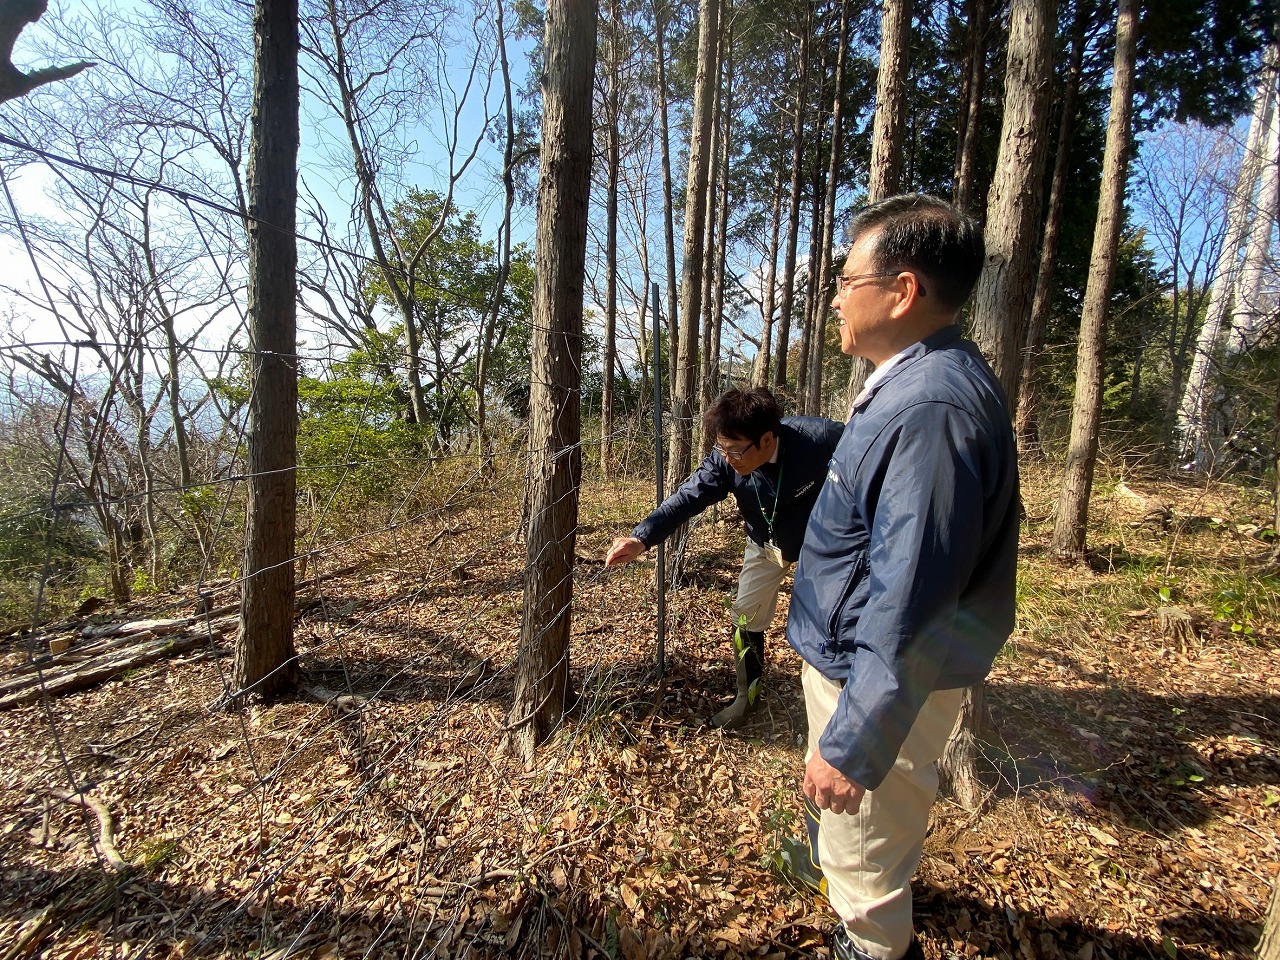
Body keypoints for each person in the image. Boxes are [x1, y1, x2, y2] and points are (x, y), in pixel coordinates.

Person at [785, 195, 1020, 960]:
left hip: (873, 679)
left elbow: (911, 588)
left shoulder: (929, 408)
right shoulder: (919, 380)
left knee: (867, 886)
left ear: (903, 290)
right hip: (869, 670)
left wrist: (855, 740)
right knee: (862, 858)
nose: (836, 297)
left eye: (848, 279)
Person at [605, 387, 844, 729]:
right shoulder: (724, 461)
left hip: (822, 544)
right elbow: (687, 498)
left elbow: (872, 462)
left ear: (766, 439)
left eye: (734, 450)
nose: (727, 457)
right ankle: (746, 700)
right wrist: (642, 538)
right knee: (746, 616)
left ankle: (834, 706)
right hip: (766, 543)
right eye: (721, 448)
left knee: (826, 620)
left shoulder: (819, 439)